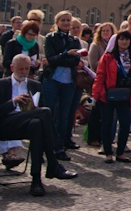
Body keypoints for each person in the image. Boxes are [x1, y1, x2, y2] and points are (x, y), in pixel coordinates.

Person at [0, 54, 78, 196]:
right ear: (12, 68)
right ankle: (53, 161)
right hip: (5, 124)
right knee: (45, 112)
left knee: (38, 124)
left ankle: (36, 180)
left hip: (28, 123)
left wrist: (33, 108)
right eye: (20, 69)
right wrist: (14, 102)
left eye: (26, 69)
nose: (24, 72)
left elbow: (42, 112)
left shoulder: (35, 85)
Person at [92, 30, 131, 163]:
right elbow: (100, 76)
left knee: (125, 123)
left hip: (125, 95)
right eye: (121, 39)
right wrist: (95, 95)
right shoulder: (108, 56)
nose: (124, 42)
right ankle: (108, 152)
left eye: (127, 39)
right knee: (107, 123)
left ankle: (120, 152)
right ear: (117, 41)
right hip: (108, 95)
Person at [42, 10, 82, 160]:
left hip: (68, 81)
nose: (66, 23)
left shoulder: (74, 40)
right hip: (52, 79)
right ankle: (47, 144)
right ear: (57, 22)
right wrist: (66, 55)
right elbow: (50, 59)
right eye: (63, 20)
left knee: (64, 115)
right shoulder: (50, 38)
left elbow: (75, 61)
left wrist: (65, 58)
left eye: (68, 20)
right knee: (50, 113)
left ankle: (60, 146)